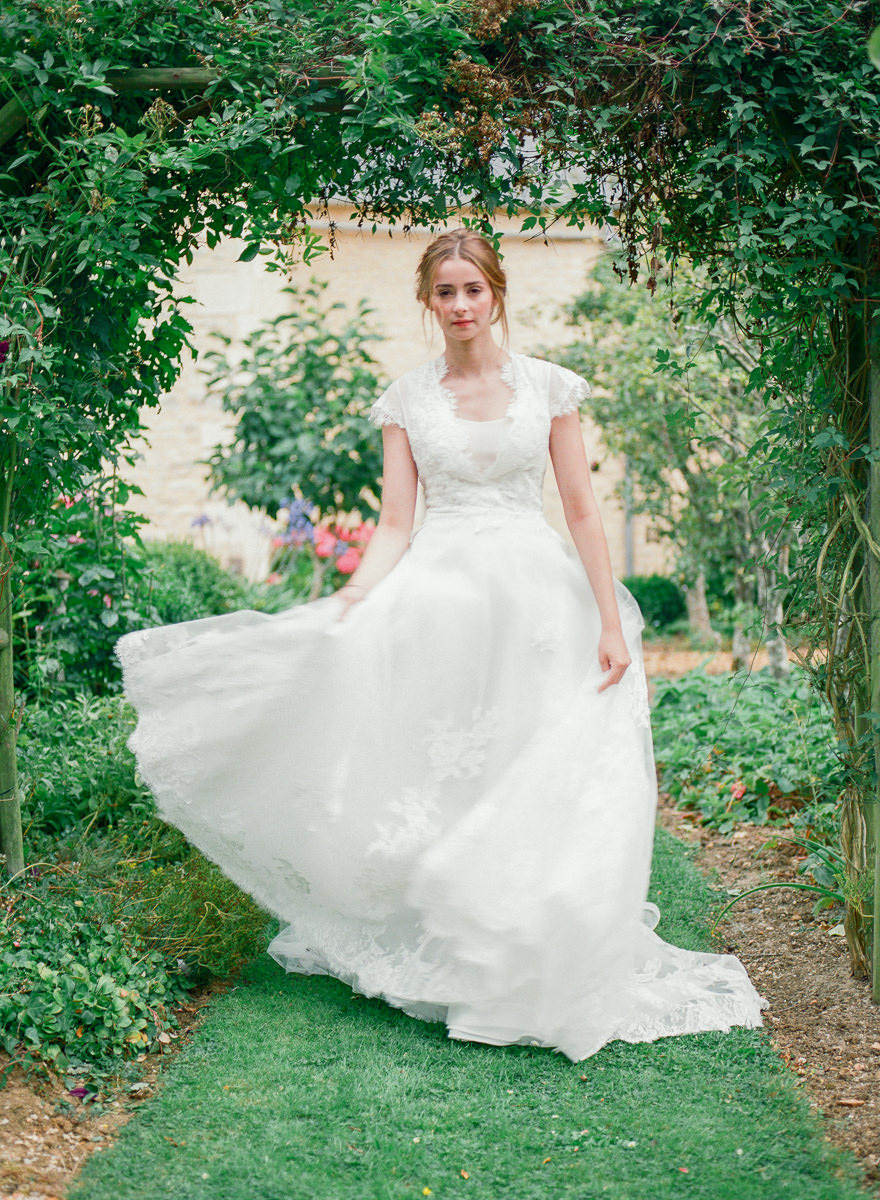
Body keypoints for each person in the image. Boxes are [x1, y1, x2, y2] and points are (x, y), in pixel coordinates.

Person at [117, 229, 766, 1061]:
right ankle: (458, 942)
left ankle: (530, 940)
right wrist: (355, 596)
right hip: (441, 603)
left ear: (497, 292)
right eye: (446, 291)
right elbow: (395, 522)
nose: (461, 305)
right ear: (428, 301)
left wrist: (610, 620)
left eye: (474, 289)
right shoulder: (407, 400)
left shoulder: (550, 388)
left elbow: (579, 507)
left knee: (534, 765)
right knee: (453, 767)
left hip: (539, 606)